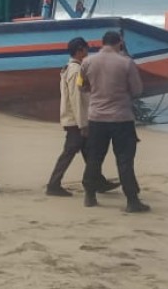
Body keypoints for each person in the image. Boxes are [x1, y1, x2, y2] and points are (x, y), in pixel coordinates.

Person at [80, 30, 150, 213]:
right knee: (124, 160)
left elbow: (81, 86)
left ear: (101, 43)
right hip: (121, 118)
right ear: (120, 43)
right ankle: (132, 200)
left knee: (94, 157)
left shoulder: (87, 62)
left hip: (96, 117)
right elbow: (136, 90)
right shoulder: (126, 63)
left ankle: (89, 195)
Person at [44, 37, 115, 197]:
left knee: (89, 152)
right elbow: (78, 99)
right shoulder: (76, 71)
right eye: (86, 49)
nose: (87, 52)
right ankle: (53, 184)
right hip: (76, 121)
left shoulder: (69, 68)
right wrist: (83, 124)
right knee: (71, 153)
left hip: (74, 119)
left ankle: (98, 181)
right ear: (80, 50)